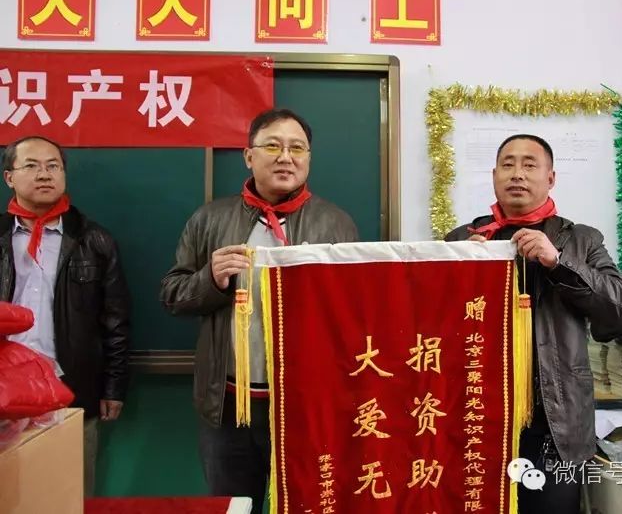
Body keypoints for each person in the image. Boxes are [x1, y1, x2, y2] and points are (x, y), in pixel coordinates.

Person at [160, 108, 359, 514]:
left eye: (297, 148)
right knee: (235, 506)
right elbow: (172, 296)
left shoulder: (337, 225)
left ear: (308, 158)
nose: (285, 157)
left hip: (305, 404)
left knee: (307, 504)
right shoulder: (209, 219)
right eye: (272, 146)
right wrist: (211, 279)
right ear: (249, 156)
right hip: (228, 405)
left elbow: (354, 315)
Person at [445, 134, 622, 513]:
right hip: (478, 413)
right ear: (494, 175)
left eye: (529, 165)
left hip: (555, 422)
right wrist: (462, 271)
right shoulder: (462, 240)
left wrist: (558, 262)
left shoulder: (580, 239)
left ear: (550, 178)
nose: (517, 174)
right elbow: (432, 323)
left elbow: (619, 307)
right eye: (508, 164)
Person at [0, 135, 130, 497]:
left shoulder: (95, 240)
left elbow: (115, 320)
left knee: (70, 493)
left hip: (70, 385)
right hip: (4, 388)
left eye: (53, 166)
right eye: (32, 166)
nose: (45, 174)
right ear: (9, 177)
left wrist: (113, 387)